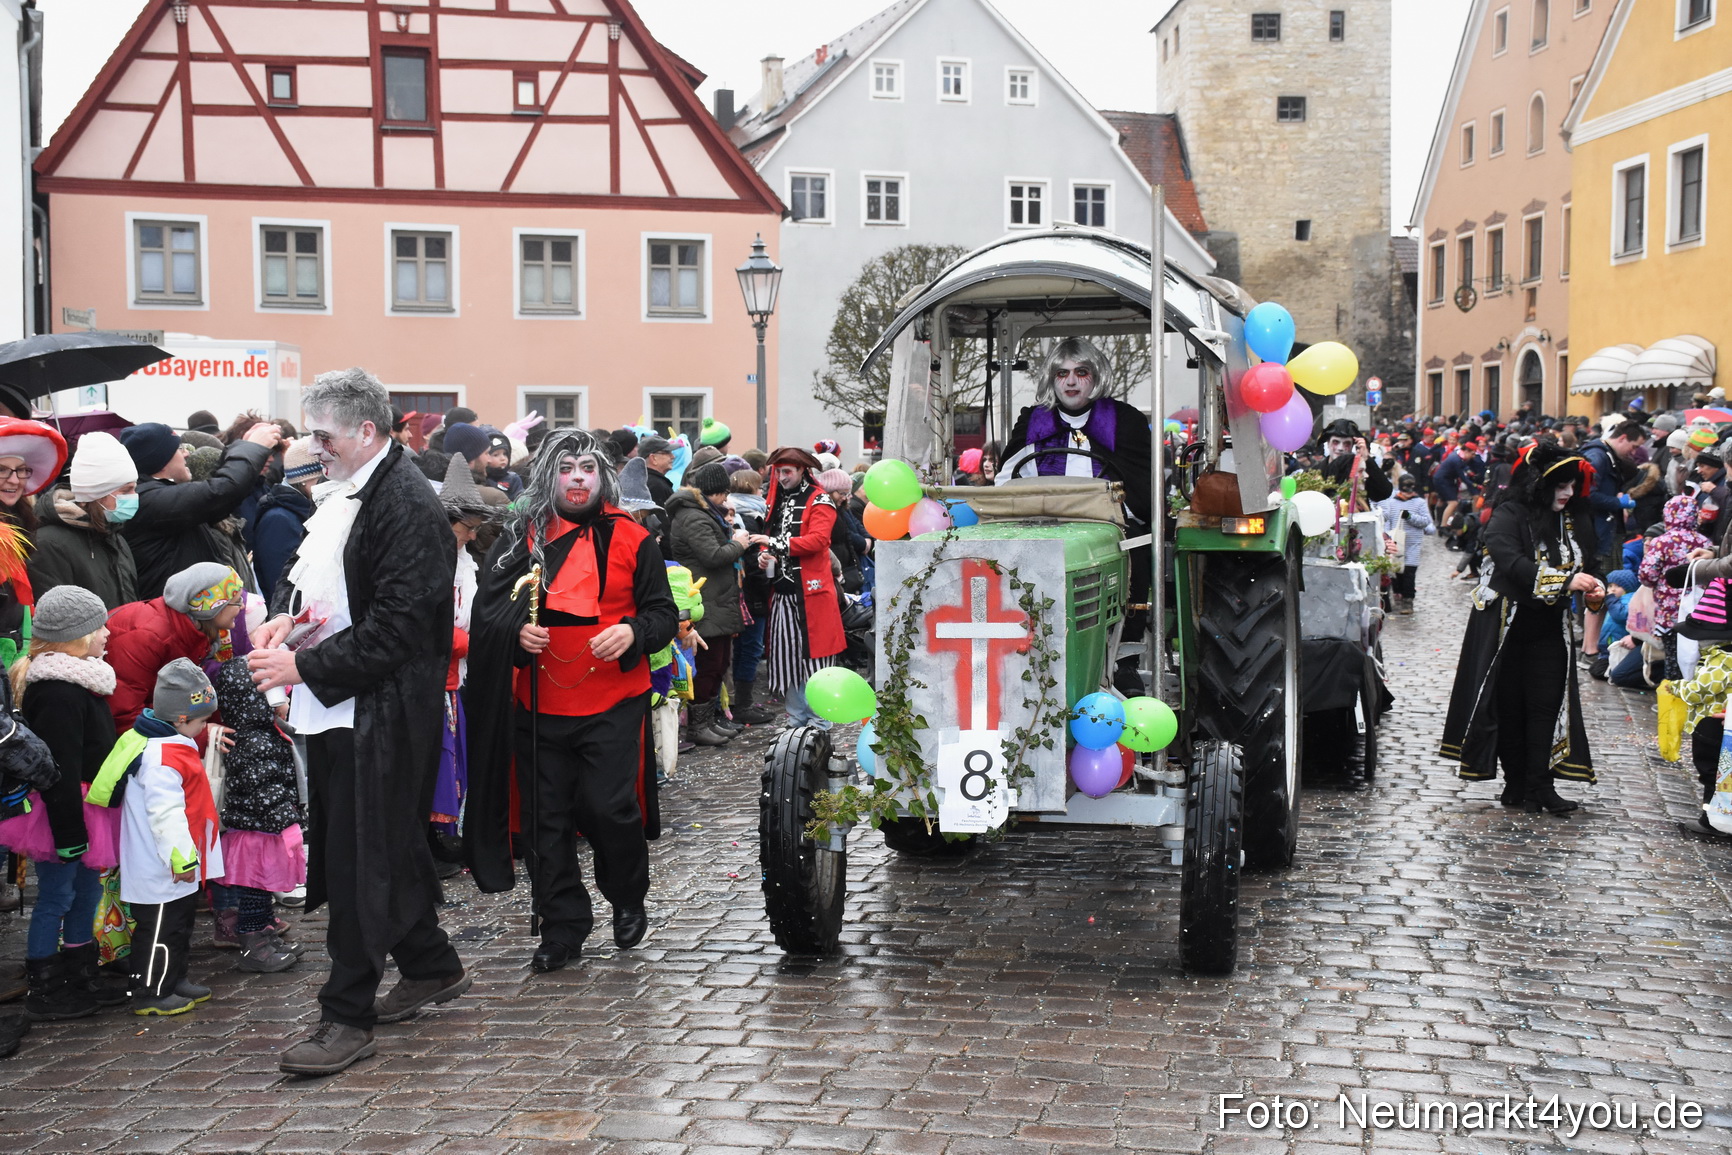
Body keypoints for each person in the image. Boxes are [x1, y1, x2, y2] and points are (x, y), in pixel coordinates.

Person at [246, 367, 467, 1076]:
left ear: (366, 431)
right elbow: (323, 585)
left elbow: (400, 628)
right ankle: (430, 964)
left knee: (359, 859)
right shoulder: (353, 488)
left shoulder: (405, 502)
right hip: (346, 704)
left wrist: (302, 666)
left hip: (381, 710)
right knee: (381, 846)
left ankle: (347, 1014)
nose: (316, 447)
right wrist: (287, 619)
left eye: (324, 435)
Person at [463, 430, 678, 972]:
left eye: (587, 468)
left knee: (609, 808)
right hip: (537, 702)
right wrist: (514, 633)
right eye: (565, 468)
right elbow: (489, 615)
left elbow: (663, 614)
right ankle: (562, 927)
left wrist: (633, 631)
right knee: (545, 822)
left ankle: (626, 896)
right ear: (548, 477)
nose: (577, 478)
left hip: (613, 700)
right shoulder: (520, 538)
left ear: (602, 476)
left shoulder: (634, 538)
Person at [1440, 443, 1603, 814]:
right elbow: (1510, 562)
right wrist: (1565, 581)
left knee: (1546, 705)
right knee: (1509, 706)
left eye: (1572, 485)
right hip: (1506, 627)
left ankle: (1540, 785)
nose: (1568, 492)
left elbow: (1590, 563)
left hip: (1550, 627)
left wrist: (1597, 588)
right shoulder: (1509, 513)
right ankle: (1516, 782)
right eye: (1560, 485)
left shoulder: (1574, 518)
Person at [0, 587, 127, 1022]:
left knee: (87, 893)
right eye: (100, 627)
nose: (107, 633)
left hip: (89, 806)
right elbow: (59, 769)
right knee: (57, 896)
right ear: (76, 635)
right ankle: (46, 986)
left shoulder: (85, 680)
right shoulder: (57, 692)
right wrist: (69, 832)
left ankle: (81, 973)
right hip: (65, 810)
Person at [116, 658, 224, 1016]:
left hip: (174, 863)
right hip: (162, 864)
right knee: (159, 930)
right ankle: (151, 990)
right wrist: (182, 858)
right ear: (181, 719)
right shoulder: (162, 757)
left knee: (178, 926)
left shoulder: (170, 744)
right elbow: (166, 814)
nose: (204, 726)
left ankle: (174, 978)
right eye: (201, 721)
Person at [211, 656, 303, 974]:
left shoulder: (262, 734)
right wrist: (287, 820)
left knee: (262, 892)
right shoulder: (256, 741)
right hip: (257, 832)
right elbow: (264, 788)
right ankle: (254, 943)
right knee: (254, 892)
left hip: (263, 829)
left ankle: (266, 935)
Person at [120, 419, 281, 600]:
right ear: (161, 461)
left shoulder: (157, 496)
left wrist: (243, 444)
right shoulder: (149, 501)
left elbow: (217, 486)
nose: (187, 453)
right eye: (178, 449)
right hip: (172, 614)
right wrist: (252, 447)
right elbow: (222, 491)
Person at [755, 448, 846, 728]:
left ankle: (820, 723)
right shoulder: (776, 501)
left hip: (812, 596)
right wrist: (764, 555)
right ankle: (795, 720)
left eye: (787, 472)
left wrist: (774, 544)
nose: (781, 477)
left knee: (816, 661)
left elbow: (818, 540)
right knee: (788, 659)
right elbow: (769, 536)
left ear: (801, 471)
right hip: (783, 594)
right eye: (778, 472)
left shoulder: (820, 500)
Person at [666, 461, 749, 746]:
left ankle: (709, 722)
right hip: (705, 599)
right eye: (724, 493)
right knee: (708, 664)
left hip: (716, 598)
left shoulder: (702, 513)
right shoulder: (693, 516)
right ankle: (698, 727)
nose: (726, 499)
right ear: (714, 491)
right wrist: (739, 543)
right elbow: (712, 556)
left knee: (719, 662)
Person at [105, 563, 244, 733]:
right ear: (213, 608)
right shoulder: (148, 637)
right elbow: (124, 715)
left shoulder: (195, 632)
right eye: (237, 602)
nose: (243, 607)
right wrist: (199, 734)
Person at [29, 432, 139, 610]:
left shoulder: (114, 536)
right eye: (126, 490)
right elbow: (57, 616)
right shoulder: (49, 544)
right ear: (97, 493)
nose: (134, 496)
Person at [252, 439, 324, 601]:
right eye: (322, 479)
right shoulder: (278, 520)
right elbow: (279, 584)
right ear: (303, 479)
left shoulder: (300, 509)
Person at [1377, 476, 1433, 614]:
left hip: (1413, 544)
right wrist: (1387, 537)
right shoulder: (1392, 503)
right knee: (1396, 572)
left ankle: (1408, 601)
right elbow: (1388, 521)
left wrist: (1410, 516)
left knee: (1409, 573)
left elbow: (1426, 521)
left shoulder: (1419, 503)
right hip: (1396, 543)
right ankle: (1398, 594)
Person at [1318, 417, 1394, 505]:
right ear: (1328, 443)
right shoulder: (1316, 471)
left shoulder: (1360, 470)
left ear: (1353, 446)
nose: (1340, 448)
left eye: (1347, 443)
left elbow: (1384, 493)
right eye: (1336, 442)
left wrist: (1367, 459)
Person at [640, 436, 676, 508]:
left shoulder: (644, 479)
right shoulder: (656, 486)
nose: (673, 456)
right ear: (653, 458)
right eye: (667, 452)